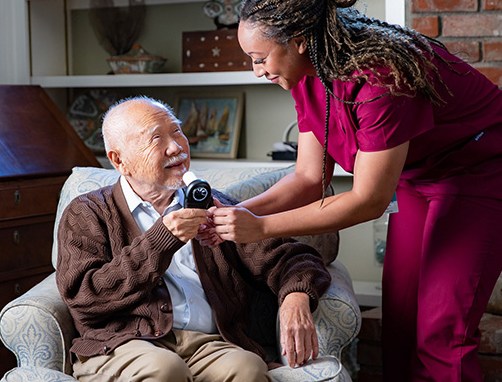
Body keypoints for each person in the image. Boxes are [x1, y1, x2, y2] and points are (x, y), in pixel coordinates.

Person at [207, 0, 502, 381]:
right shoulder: (307, 74)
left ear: (298, 40)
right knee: (400, 318)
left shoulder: (382, 78)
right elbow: (310, 178)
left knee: (441, 331)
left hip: (486, 168)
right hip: (420, 174)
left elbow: (368, 199)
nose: (256, 70)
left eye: (259, 57)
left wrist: (258, 228)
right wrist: (237, 212)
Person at [55, 96, 331, 382]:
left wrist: (295, 298)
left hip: (205, 345)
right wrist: (162, 239)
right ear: (119, 160)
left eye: (177, 132)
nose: (176, 147)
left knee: (248, 368)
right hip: (121, 344)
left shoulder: (214, 206)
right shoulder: (87, 212)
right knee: (164, 369)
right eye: (156, 139)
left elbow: (294, 258)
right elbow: (84, 296)